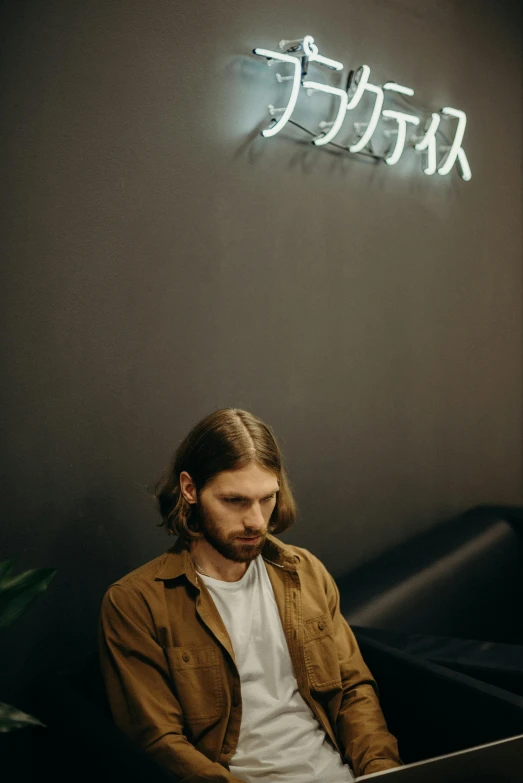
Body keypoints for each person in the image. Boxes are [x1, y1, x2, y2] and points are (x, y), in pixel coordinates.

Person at [99, 408, 401, 782]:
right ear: (190, 490)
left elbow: (354, 691)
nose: (257, 521)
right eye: (235, 501)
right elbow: (159, 741)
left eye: (267, 498)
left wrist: (382, 772)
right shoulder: (136, 603)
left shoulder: (305, 572)